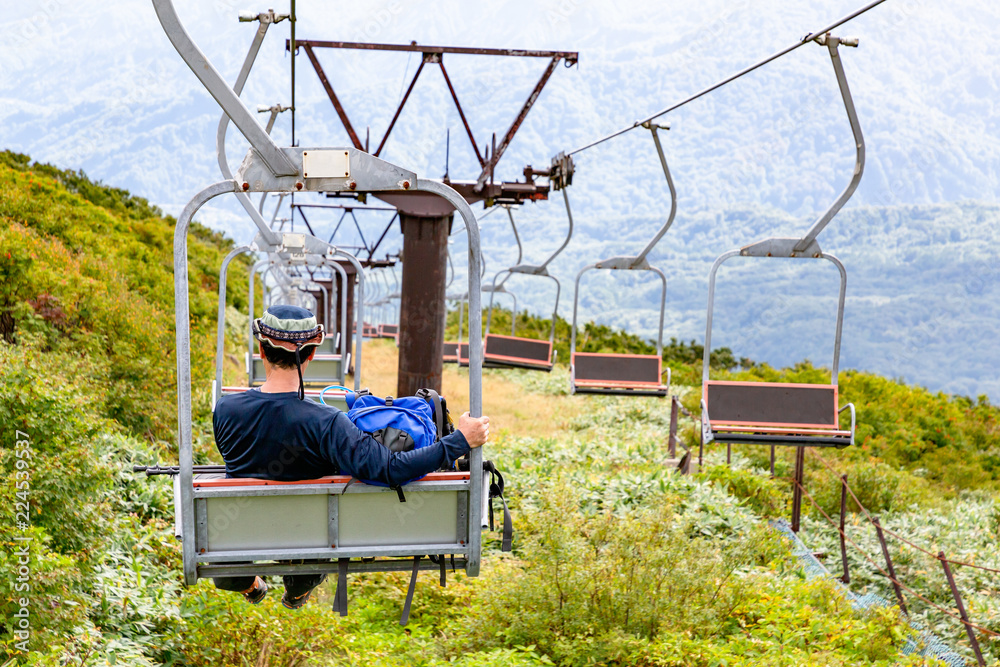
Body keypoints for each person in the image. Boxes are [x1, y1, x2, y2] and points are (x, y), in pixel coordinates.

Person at [211, 305, 490, 609]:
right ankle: (298, 588)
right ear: (311, 355)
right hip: (309, 537)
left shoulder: (225, 410)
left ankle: (247, 583)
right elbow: (392, 469)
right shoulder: (328, 423)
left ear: (261, 352)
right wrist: (459, 441)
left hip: (242, 531)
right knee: (311, 526)